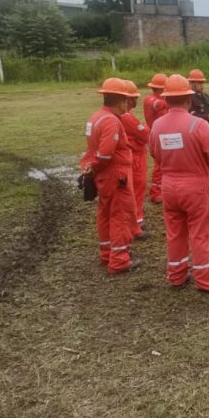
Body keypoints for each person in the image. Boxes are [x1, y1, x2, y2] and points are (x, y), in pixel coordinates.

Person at [149, 74, 209, 293]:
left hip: (169, 185)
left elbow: (155, 155)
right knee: (201, 232)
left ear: (166, 99)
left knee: (175, 232)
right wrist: (208, 173)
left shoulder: (157, 126)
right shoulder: (199, 125)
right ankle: (207, 280)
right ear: (188, 99)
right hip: (195, 186)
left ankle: (176, 275)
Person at [80, 78, 141, 274]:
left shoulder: (95, 117)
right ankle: (120, 260)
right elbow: (105, 154)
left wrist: (89, 169)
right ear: (121, 100)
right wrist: (95, 167)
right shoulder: (111, 121)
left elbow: (91, 151)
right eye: (127, 100)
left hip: (105, 176)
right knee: (121, 215)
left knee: (106, 213)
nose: (128, 104)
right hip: (116, 175)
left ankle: (107, 252)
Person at [120, 80, 151, 238]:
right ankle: (135, 225)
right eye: (134, 98)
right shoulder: (126, 117)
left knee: (135, 191)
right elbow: (145, 133)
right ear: (128, 100)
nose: (136, 101)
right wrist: (143, 130)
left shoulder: (125, 116)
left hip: (134, 156)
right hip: (135, 158)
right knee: (136, 191)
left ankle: (135, 221)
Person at [144, 73, 168, 203]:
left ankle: (161, 190)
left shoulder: (159, 99)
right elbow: (158, 105)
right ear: (159, 89)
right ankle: (155, 193)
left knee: (165, 164)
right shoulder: (151, 99)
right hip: (156, 135)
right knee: (159, 165)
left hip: (163, 134)